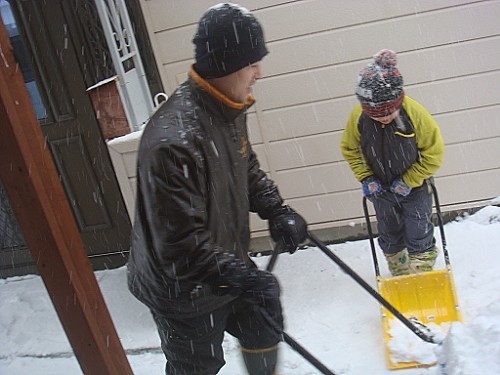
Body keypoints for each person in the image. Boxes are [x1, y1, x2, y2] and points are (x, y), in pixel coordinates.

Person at [127, 3, 308, 374]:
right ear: (226, 64)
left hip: (220, 262)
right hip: (182, 288)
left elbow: (245, 166)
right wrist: (245, 277)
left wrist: (276, 209)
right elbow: (181, 247)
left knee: (262, 317)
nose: (259, 72)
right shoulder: (173, 143)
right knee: (197, 366)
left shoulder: (226, 107)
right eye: (251, 63)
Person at [340, 49, 445, 277]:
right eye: (376, 115)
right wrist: (367, 178)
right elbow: (350, 149)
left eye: (388, 112)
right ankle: (399, 272)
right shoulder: (358, 117)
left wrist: (409, 180)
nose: (383, 118)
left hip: (416, 188)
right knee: (389, 232)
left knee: (418, 230)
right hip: (380, 188)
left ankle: (421, 273)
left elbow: (434, 153)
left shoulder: (415, 114)